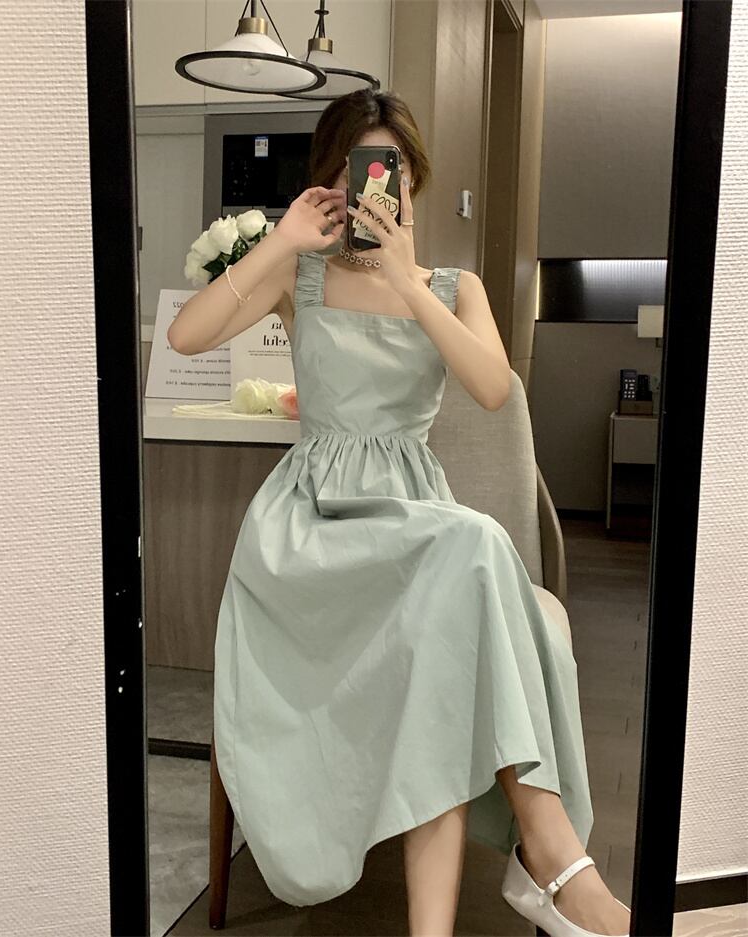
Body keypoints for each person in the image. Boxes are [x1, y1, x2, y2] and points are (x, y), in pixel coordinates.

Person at [168, 89, 631, 937]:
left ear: (413, 179)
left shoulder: (457, 289)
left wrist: (407, 281)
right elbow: (186, 337)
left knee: (456, 587)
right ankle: (553, 855)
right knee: (473, 544)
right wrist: (281, 240)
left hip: (416, 529)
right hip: (312, 530)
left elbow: (492, 390)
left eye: (396, 172)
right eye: (362, 172)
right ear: (333, 180)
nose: (381, 189)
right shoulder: (300, 275)